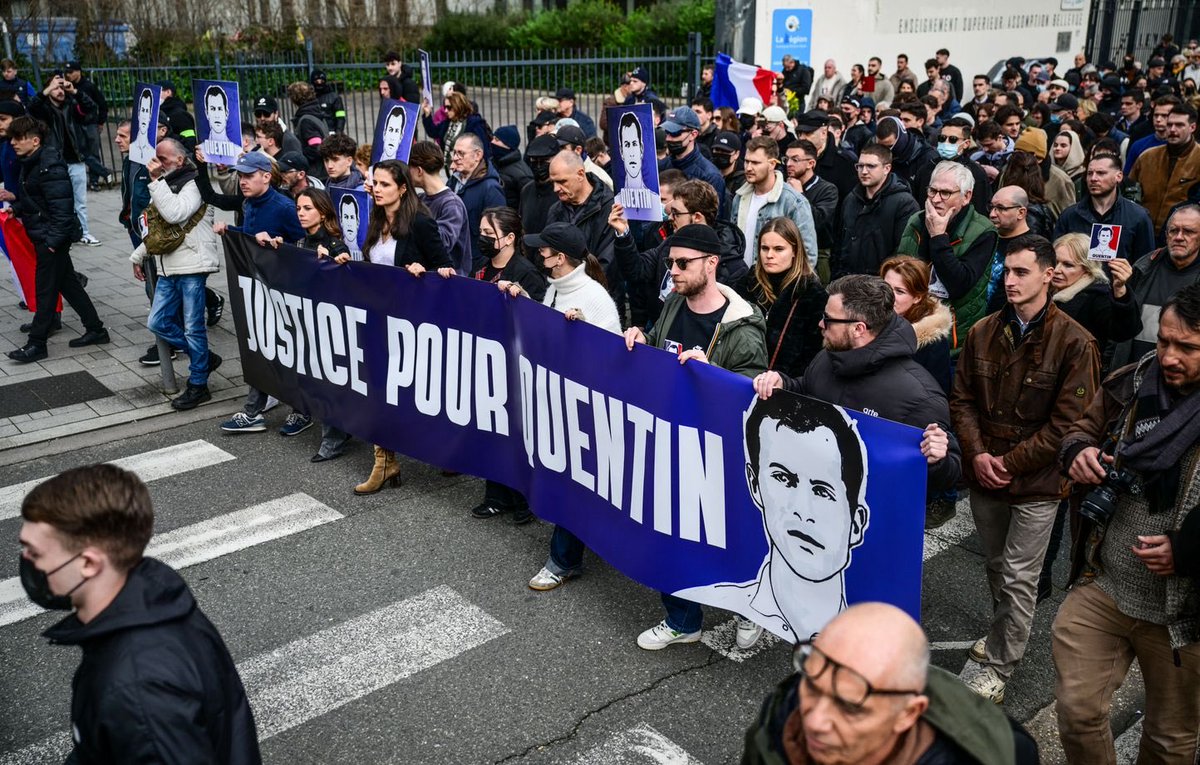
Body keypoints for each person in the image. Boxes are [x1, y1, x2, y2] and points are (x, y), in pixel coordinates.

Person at [17, 464, 261, 763]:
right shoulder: (154, 600)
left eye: (35, 552)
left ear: (89, 564)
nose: (26, 562)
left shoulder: (136, 690)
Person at [950, 233, 1101, 703]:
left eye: (1021, 272)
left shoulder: (1077, 343)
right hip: (986, 472)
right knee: (997, 564)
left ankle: (1000, 664)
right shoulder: (982, 331)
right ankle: (1003, 633)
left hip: (1037, 481)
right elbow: (962, 399)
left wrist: (1007, 463)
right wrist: (977, 454)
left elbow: (1071, 426)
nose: (1010, 281)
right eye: (1007, 272)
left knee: (1019, 574)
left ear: (1048, 275)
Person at [1055, 284, 1200, 764]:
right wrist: (1077, 452)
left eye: (1187, 347)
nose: (1169, 356)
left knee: (1169, 740)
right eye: (1164, 341)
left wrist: (1189, 549)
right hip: (1107, 582)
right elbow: (1080, 427)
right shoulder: (1134, 380)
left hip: (1184, 615)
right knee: (1076, 712)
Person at [624, 223, 767, 650]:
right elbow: (660, 343)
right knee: (672, 531)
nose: (674, 272)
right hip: (671, 433)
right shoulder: (674, 301)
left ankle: (753, 607)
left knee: (733, 534)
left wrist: (712, 374)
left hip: (719, 446)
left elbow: (752, 386)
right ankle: (683, 620)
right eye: (670, 264)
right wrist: (640, 337)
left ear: (711, 264)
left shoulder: (741, 325)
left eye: (683, 263)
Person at [677, 394, 870, 644]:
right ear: (755, 485)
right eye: (784, 479)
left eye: (822, 491)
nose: (802, 510)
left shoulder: (876, 642)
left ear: (857, 522)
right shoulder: (702, 594)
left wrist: (936, 459)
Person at [740, 602, 1039, 765]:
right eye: (813, 685)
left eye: (849, 706)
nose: (814, 721)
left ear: (908, 713)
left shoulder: (996, 755)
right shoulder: (782, 715)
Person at [352, 159, 452, 494]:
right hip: (379, 317)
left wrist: (422, 272)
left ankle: (449, 449)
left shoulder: (421, 222)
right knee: (378, 388)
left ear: (403, 188)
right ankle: (385, 462)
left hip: (413, 321)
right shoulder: (376, 219)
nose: (376, 190)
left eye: (384, 184)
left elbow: (446, 270)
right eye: (374, 184)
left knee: (417, 389)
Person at [254, 188, 355, 461]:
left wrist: (334, 260)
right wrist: (275, 247)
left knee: (329, 383)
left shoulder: (334, 244)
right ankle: (332, 428)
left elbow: (344, 277)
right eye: (299, 208)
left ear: (322, 212)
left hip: (329, 326)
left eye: (307, 208)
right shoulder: (299, 243)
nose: (301, 213)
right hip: (305, 323)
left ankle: (333, 440)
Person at [215, 152, 306, 433]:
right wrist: (231, 230)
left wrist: (280, 242)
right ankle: (253, 411)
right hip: (260, 287)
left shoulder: (284, 206)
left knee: (291, 351)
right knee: (261, 346)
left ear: (266, 177)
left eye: (248, 176)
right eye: (240, 176)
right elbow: (252, 234)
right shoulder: (249, 202)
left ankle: (302, 411)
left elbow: (303, 240)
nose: (242, 181)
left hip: (286, 290)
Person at [6, 116, 108, 363]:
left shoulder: (49, 165)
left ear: (35, 140)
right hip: (46, 234)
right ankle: (96, 329)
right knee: (69, 285)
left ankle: (37, 343)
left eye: (18, 139)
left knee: (45, 290)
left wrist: (52, 243)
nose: (13, 143)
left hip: (51, 238)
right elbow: (39, 200)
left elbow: (62, 209)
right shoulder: (31, 162)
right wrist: (17, 209)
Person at [129, 138, 220, 411]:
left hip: (192, 266)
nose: (157, 163)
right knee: (157, 322)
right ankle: (203, 357)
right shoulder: (167, 185)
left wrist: (155, 180)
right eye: (156, 158)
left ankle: (198, 384)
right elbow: (159, 232)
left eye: (164, 158)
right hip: (168, 266)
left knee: (193, 328)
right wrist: (138, 256)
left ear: (180, 160)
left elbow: (174, 214)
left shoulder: (194, 185)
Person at [896, 161, 999, 356]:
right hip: (910, 327)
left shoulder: (983, 231)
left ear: (966, 197)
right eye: (932, 191)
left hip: (952, 337)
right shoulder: (916, 221)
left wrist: (938, 237)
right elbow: (903, 272)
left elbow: (959, 284)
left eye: (945, 193)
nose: (936, 199)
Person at [1110, 204, 1200, 368]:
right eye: (1173, 231)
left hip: (1185, 377)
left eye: (1188, 231)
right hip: (1133, 375)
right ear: (1166, 235)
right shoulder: (1143, 267)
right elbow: (1119, 329)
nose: (1179, 237)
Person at [737, 217, 826, 378]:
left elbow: (814, 353)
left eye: (778, 249)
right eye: (765, 248)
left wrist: (785, 382)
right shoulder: (747, 284)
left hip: (785, 386)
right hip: (742, 376)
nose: (769, 255)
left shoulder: (812, 294)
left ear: (795, 251)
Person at [29, 71, 100, 246]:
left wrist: (75, 91)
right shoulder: (44, 110)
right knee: (56, 201)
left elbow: (92, 109)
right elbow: (30, 107)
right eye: (55, 87)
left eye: (62, 87)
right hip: (55, 163)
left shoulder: (72, 105)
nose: (60, 91)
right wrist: (46, 90)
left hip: (76, 160)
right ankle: (61, 234)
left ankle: (84, 232)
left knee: (80, 201)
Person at [831, 144, 920, 279]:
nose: (864, 171)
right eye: (860, 166)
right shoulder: (851, 199)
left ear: (887, 168)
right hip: (848, 282)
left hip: (881, 286)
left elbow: (904, 254)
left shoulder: (904, 203)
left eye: (871, 166)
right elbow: (840, 242)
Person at [734, 137, 818, 270]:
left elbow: (808, 253)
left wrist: (790, 288)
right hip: (743, 281)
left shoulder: (793, 201)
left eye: (755, 163)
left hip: (778, 284)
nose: (748, 168)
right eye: (746, 161)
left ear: (772, 164)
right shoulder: (740, 197)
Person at [1053, 154, 1154, 262]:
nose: (1093, 178)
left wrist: (1128, 276)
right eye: (1089, 173)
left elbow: (1145, 264)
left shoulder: (1138, 216)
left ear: (1118, 176)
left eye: (1101, 173)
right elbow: (1056, 256)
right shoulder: (1070, 215)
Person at [544, 150, 616, 286]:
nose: (555, 188)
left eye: (561, 181)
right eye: (553, 182)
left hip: (597, 296)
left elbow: (607, 265)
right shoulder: (555, 210)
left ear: (580, 174)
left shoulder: (610, 209)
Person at [1129, 103, 1200, 237]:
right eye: (1170, 124)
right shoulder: (1147, 157)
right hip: (1143, 232)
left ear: (1192, 127)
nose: (1172, 129)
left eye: (1179, 125)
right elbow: (1130, 193)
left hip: (1183, 236)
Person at [409, 140, 472, 275]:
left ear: (419, 170)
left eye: (409, 168)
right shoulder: (421, 199)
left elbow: (442, 244)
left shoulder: (451, 204)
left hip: (450, 281)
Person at [448, 132, 505, 270]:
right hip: (453, 259)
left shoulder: (491, 188)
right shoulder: (453, 181)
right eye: (454, 153)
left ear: (477, 155)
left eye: (461, 154)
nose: (455, 158)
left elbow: (497, 232)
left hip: (475, 263)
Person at [916, 117, 992, 215]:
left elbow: (980, 209)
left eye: (952, 139)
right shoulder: (927, 168)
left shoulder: (976, 173)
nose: (945, 143)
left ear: (966, 143)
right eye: (942, 138)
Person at [661, 106, 727, 219]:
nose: (668, 138)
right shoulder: (661, 166)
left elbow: (713, 222)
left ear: (693, 134)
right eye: (667, 132)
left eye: (675, 133)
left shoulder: (710, 176)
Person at [422, 91, 491, 170]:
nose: (446, 111)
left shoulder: (474, 124)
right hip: (452, 169)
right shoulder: (448, 122)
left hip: (470, 170)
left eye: (449, 107)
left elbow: (484, 150)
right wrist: (427, 114)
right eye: (445, 107)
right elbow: (433, 132)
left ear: (458, 106)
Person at [613, 111, 656, 212]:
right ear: (621, 151)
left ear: (641, 149)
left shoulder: (655, 201)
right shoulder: (616, 205)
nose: (632, 153)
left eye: (634, 144)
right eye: (627, 145)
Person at [288, 81, 329, 181]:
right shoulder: (316, 114)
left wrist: (299, 158)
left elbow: (315, 147)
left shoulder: (306, 120)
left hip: (316, 173)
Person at [490, 124, 531, 210]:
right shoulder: (492, 162)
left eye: (497, 140)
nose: (492, 142)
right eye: (493, 138)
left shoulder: (522, 174)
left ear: (508, 145)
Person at [200, 84, 239, 160]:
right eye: (213, 109)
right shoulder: (201, 152)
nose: (217, 115)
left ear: (226, 113)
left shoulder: (238, 152)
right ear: (207, 113)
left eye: (220, 109)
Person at [309, 69, 346, 134]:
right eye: (316, 81)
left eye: (321, 80)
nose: (319, 83)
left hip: (331, 132)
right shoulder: (309, 98)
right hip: (315, 133)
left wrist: (338, 133)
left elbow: (340, 117)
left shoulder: (335, 97)